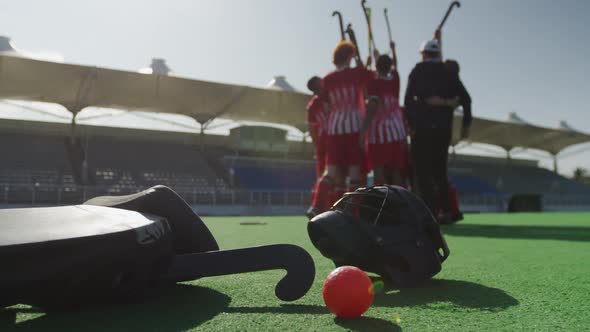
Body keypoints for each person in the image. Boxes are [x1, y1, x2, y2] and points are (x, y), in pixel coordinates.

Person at [306, 40, 375, 219]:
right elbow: (371, 78)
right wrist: (361, 59)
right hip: (353, 127)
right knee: (353, 173)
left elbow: (326, 102)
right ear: (350, 56)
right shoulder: (356, 73)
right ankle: (351, 211)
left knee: (330, 172)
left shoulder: (328, 79)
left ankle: (316, 205)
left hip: (334, 128)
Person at [404, 35, 467, 224]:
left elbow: (407, 101)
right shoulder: (448, 72)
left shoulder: (417, 71)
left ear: (423, 54)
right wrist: (465, 122)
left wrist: (412, 123)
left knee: (422, 172)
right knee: (440, 171)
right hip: (442, 129)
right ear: (438, 53)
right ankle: (446, 211)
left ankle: (429, 213)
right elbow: (465, 98)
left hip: (422, 129)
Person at [365, 41, 407, 186]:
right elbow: (395, 65)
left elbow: (372, 108)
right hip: (397, 131)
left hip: (378, 134)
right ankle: (400, 203)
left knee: (379, 172)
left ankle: (380, 204)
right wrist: (393, 50)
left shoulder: (373, 83)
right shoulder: (396, 79)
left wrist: (363, 131)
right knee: (396, 171)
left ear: (376, 67)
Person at [305, 76, 329, 215]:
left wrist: (316, 146)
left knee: (322, 176)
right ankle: (324, 207)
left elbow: (312, 129)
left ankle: (317, 207)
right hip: (333, 137)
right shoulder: (329, 96)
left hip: (320, 142)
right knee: (333, 175)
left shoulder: (311, 106)